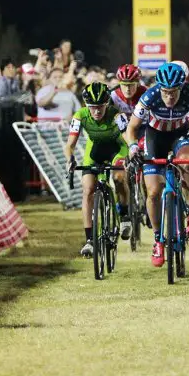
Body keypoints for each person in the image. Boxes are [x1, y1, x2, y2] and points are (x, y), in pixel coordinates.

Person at [126, 62, 189, 267]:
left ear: (181, 88)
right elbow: (132, 128)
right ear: (159, 88)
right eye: (166, 92)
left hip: (180, 133)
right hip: (154, 136)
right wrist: (132, 147)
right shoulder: (149, 96)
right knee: (154, 191)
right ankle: (158, 239)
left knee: (188, 165)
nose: (170, 97)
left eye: (174, 92)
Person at [65, 82, 131, 256]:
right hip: (95, 150)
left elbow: (126, 136)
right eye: (92, 107)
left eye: (100, 106)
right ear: (87, 106)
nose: (96, 111)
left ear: (107, 103)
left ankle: (124, 215)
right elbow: (70, 145)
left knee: (118, 177)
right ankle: (90, 240)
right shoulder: (79, 116)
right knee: (88, 190)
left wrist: (132, 149)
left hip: (117, 148)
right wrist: (69, 159)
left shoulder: (117, 115)